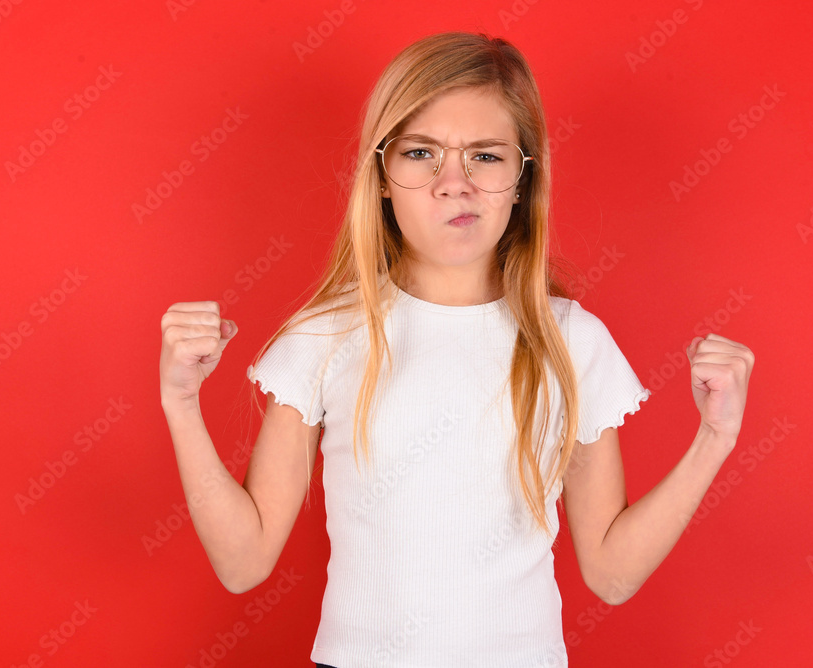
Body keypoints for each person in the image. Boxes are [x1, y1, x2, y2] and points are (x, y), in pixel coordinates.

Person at [159, 31, 754, 668]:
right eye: (421, 153)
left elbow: (612, 573)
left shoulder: (570, 340)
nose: (455, 184)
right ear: (382, 177)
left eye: (486, 157)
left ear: (524, 179)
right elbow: (243, 563)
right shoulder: (326, 336)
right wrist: (181, 402)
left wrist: (714, 439)